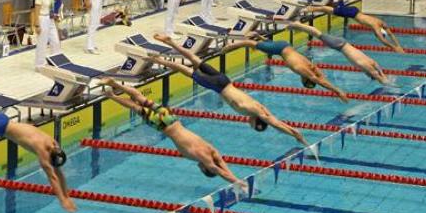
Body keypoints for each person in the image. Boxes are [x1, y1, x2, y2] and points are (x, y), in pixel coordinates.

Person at [149, 34, 309, 144]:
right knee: (188, 71)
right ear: (256, 123)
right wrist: (297, 136)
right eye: (252, 126)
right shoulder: (258, 112)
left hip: (226, 81)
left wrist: (295, 133)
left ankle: (170, 42)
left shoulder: (261, 109)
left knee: (195, 59)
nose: (249, 125)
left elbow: (278, 122)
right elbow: (277, 125)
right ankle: (158, 60)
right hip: (218, 86)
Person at [102, 78, 241, 183]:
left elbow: (222, 164)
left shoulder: (211, 150)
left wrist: (236, 177)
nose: (200, 168)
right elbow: (220, 171)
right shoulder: (202, 157)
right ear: (206, 168)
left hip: (172, 118)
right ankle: (112, 96)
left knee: (141, 98)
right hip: (163, 126)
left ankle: (115, 84)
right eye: (203, 169)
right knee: (135, 107)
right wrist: (236, 182)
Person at [233, 34, 348, 101]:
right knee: (248, 43)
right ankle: (229, 46)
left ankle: (257, 36)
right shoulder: (303, 71)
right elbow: (321, 81)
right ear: (305, 79)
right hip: (279, 49)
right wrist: (338, 92)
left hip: (284, 45)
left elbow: (321, 77)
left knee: (263, 44)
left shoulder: (310, 65)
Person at [32, 0, 61, 68]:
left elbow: (51, 8)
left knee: (55, 40)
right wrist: (37, 25)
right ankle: (39, 64)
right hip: (42, 18)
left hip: (50, 18)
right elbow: (36, 11)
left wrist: (55, 16)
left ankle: (55, 61)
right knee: (42, 42)